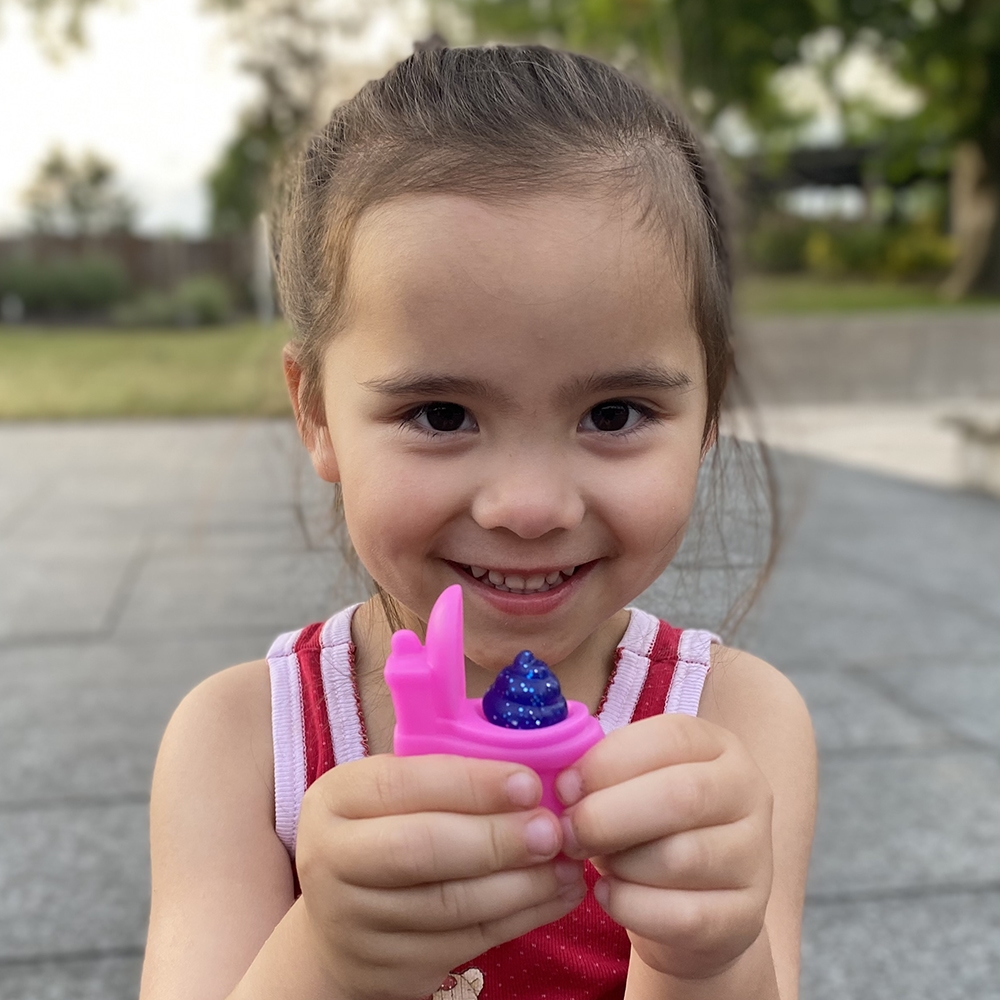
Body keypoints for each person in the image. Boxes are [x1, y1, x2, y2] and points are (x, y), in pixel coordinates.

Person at [139, 43, 817, 1000]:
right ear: (317, 413)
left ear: (708, 412)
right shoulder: (246, 742)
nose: (529, 508)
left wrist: (705, 957)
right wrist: (326, 959)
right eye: (441, 415)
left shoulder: (733, 726)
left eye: (613, 414)